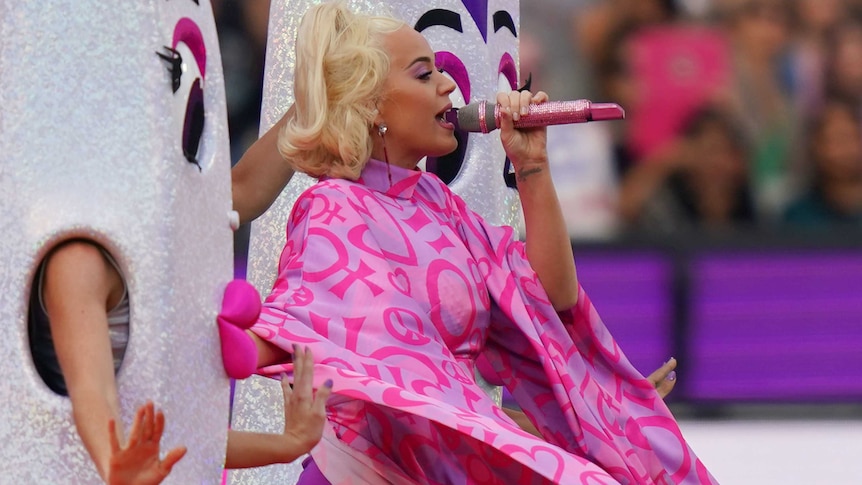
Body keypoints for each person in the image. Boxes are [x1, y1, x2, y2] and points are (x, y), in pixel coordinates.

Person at [230, 2, 715, 483]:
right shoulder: (332, 206)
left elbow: (551, 300)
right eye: (424, 75)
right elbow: (291, 340)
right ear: (371, 102)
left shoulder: (439, 204)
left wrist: (532, 167)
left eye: (442, 69)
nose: (448, 85)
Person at [30, 238, 330, 483]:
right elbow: (92, 390)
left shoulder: (162, 253)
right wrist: (114, 463)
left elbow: (177, 438)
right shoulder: (78, 259)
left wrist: (289, 444)